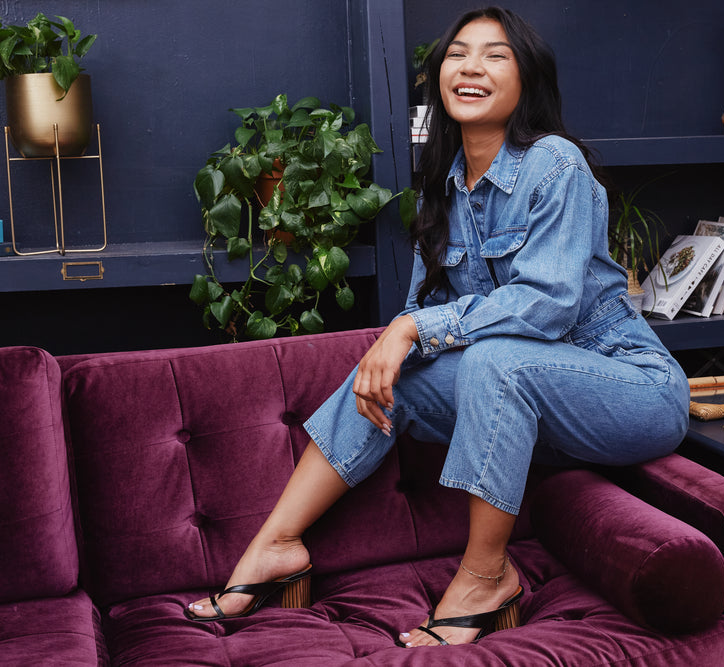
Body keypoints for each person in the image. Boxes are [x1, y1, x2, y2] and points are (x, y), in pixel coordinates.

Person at [184, 6, 690, 648]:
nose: (471, 67)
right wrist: (399, 337)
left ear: (525, 79)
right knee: (397, 369)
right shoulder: (446, 190)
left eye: (495, 54)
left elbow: (550, 304)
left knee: (484, 358)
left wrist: (411, 329)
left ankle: (487, 578)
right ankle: (277, 545)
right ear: (439, 75)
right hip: (536, 410)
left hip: (632, 388)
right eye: (458, 54)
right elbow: (425, 314)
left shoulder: (554, 164)